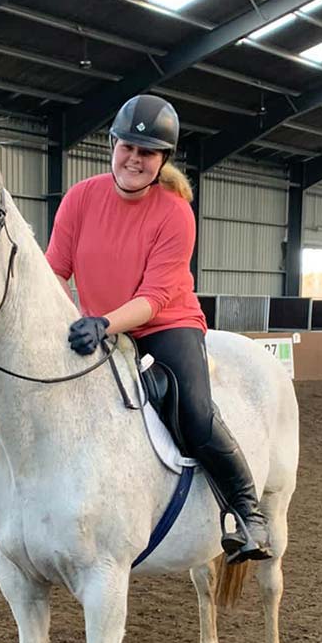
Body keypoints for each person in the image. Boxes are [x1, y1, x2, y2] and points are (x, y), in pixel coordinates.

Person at [45, 93, 271, 563]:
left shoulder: (175, 213)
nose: (134, 159)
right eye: (127, 147)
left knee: (193, 411)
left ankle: (248, 513)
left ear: (162, 159)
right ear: (112, 144)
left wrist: (104, 323)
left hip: (164, 324)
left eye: (147, 153)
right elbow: (54, 272)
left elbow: (153, 298)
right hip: (97, 325)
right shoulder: (80, 199)